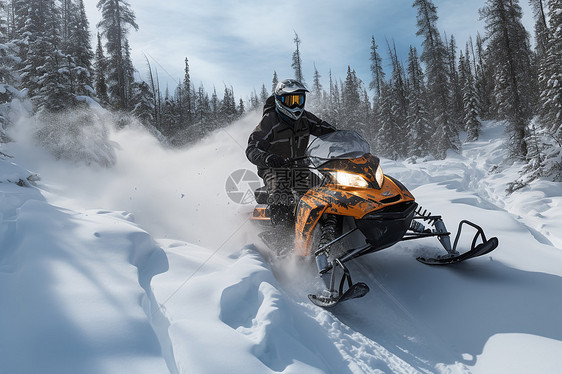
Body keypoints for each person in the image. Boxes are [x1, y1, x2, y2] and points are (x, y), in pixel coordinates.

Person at [246, 79, 336, 225]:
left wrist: (345, 139)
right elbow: (252, 148)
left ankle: (330, 228)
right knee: (281, 194)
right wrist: (268, 158)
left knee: (324, 191)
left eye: (298, 99)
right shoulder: (270, 121)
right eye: (290, 100)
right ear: (279, 100)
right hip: (275, 170)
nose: (295, 105)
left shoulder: (306, 118)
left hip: (300, 169)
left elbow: (329, 132)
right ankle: (282, 240)